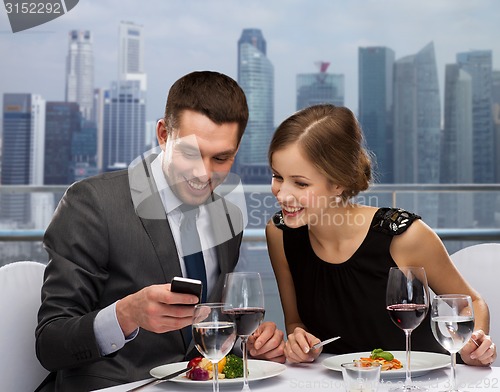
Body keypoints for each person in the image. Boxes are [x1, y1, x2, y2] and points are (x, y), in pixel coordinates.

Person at [36, 71, 285, 391]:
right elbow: (50, 343)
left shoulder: (227, 215)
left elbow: (207, 330)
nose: (203, 174)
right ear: (163, 134)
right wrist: (125, 315)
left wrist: (247, 345)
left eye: (221, 158)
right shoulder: (94, 203)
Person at [265, 104, 497, 366]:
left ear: (338, 182)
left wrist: (473, 344)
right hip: (339, 384)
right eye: (277, 176)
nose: (282, 194)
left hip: (422, 380)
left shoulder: (404, 237)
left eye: (300, 183)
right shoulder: (279, 234)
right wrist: (299, 341)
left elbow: (471, 302)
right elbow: (296, 322)